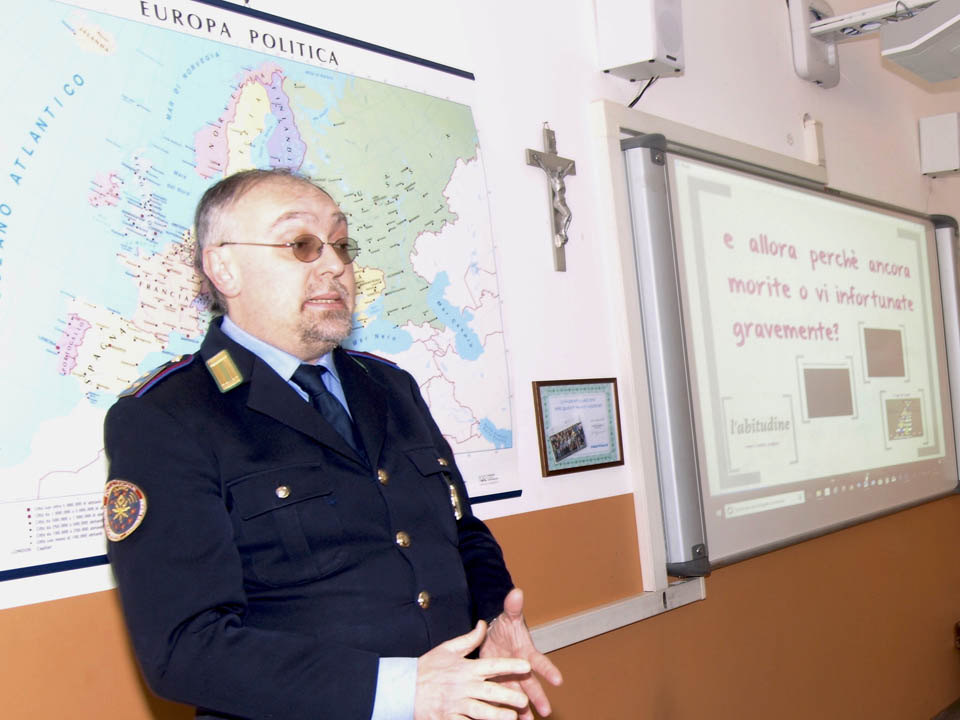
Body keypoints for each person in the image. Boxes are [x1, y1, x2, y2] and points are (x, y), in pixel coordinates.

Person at [103, 168, 562, 720]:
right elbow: (185, 648)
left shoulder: (388, 386)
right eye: (301, 244)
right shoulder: (167, 416)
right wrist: (400, 690)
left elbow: (459, 528)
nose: (334, 265)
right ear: (223, 266)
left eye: (341, 244)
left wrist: (494, 616)